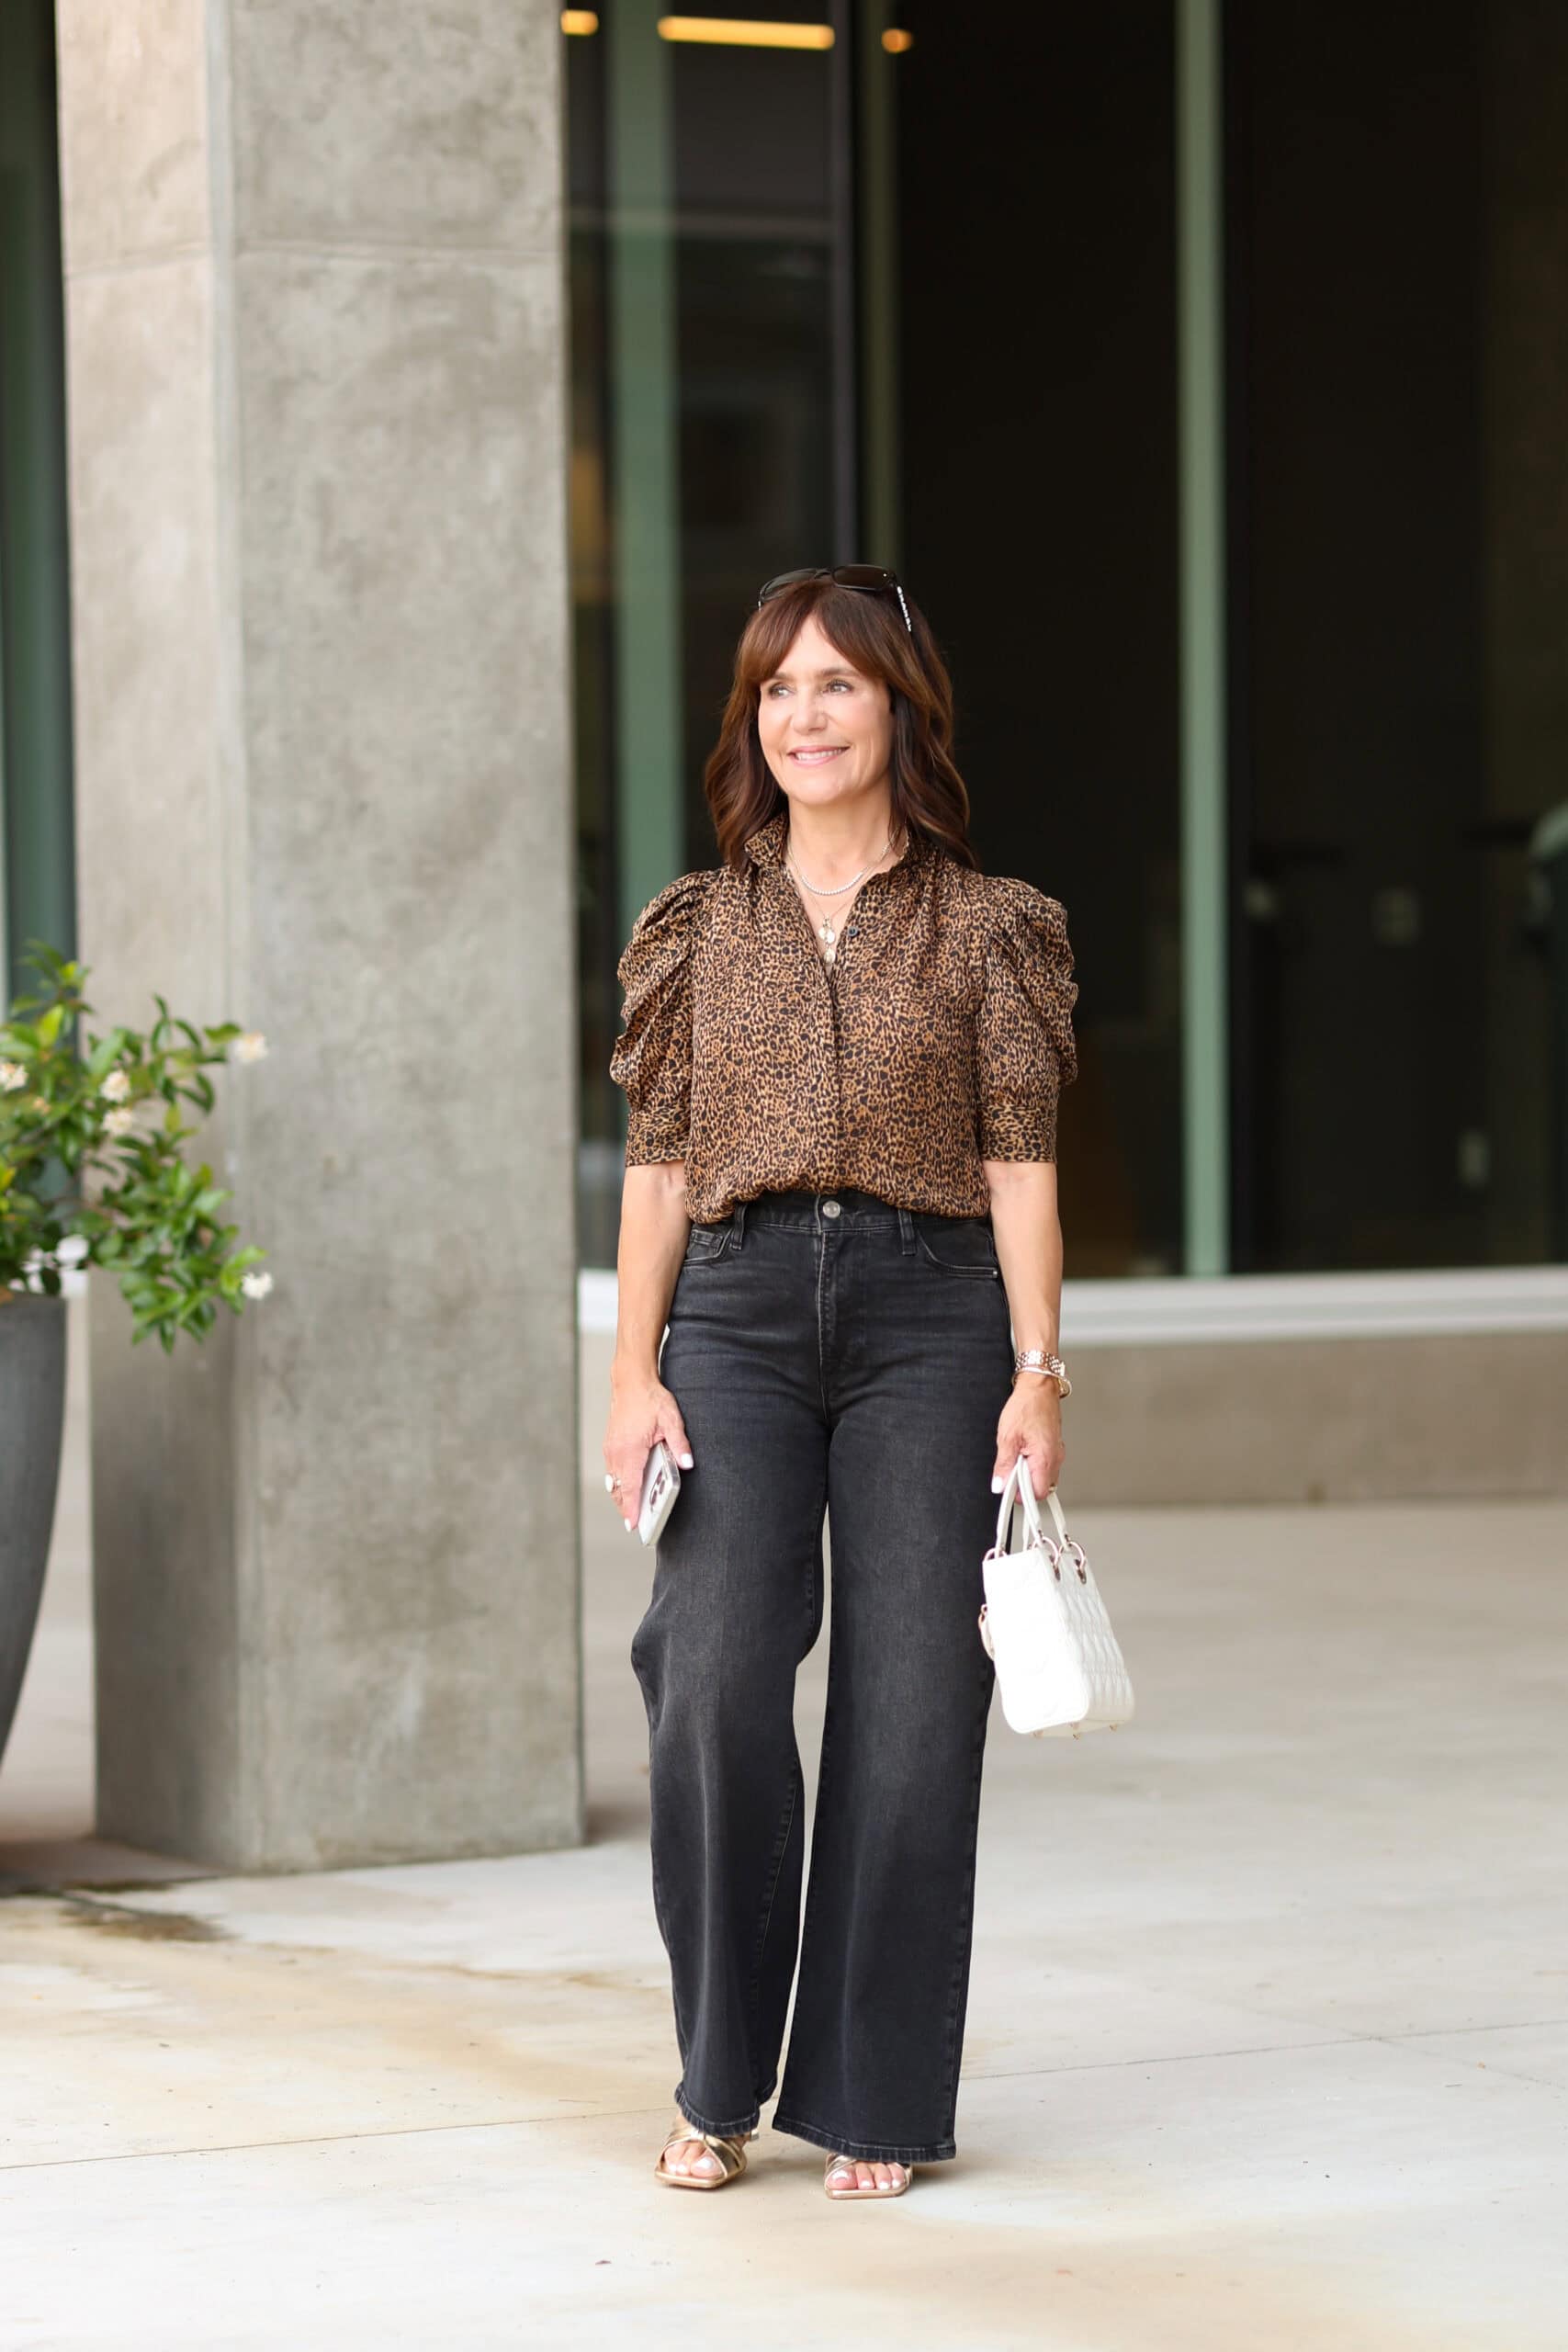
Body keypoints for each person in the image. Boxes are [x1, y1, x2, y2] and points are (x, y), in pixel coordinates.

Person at [604, 565, 1077, 2201]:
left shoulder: (990, 924)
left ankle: (873, 2092)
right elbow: (658, 1169)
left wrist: (1038, 1368)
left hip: (932, 1315)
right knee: (718, 1672)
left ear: (899, 708)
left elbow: (1019, 1161)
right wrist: (628, 1371)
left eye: (837, 686)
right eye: (776, 690)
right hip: (731, 1317)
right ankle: (718, 2075)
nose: (803, 715)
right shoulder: (697, 926)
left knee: (912, 1703)